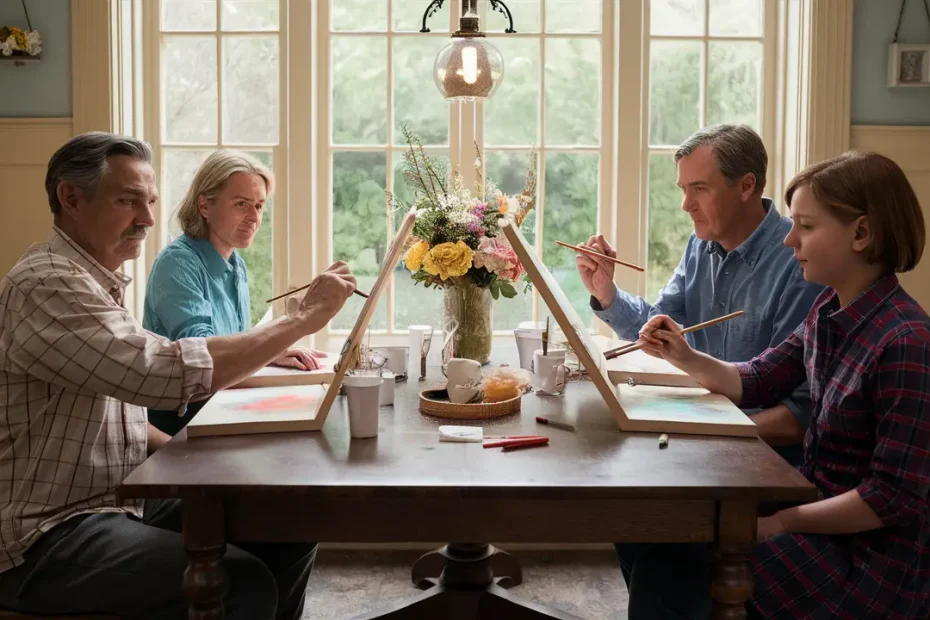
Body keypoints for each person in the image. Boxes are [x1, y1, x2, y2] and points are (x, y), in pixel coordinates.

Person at [0, 132, 357, 619]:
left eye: (148, 201)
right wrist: (302, 319)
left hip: (119, 502)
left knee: (286, 519)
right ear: (70, 198)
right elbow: (161, 374)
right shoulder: (48, 284)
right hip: (48, 537)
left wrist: (194, 468)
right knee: (240, 581)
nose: (147, 219)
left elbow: (118, 410)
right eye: (128, 201)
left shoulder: (93, 282)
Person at [637, 151, 929, 619]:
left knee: (677, 564)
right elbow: (756, 378)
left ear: (862, 233)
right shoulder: (828, 310)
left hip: (865, 560)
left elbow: (890, 499)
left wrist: (780, 522)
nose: (790, 240)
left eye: (806, 227)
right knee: (658, 528)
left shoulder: (906, 342)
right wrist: (683, 354)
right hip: (815, 508)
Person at [575, 124, 823, 619]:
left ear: (747, 186)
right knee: (630, 508)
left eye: (699, 189)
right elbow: (660, 327)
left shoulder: (800, 261)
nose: (686, 204)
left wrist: (708, 431)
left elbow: (798, 414)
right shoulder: (701, 246)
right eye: (683, 189)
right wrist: (607, 292)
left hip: (763, 460)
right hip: (706, 438)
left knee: (666, 537)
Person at [144, 150, 325, 435]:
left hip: (220, 411)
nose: (254, 217)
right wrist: (273, 342)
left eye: (260, 205)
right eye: (242, 204)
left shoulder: (236, 264)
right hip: (181, 428)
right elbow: (203, 361)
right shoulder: (176, 263)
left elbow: (232, 345)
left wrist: (271, 352)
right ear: (204, 206)